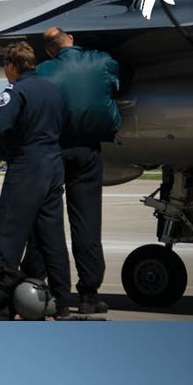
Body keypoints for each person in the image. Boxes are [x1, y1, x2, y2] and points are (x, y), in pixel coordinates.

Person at [0, 41, 71, 319]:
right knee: (52, 238)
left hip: (27, 166)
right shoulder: (53, 90)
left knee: (7, 234)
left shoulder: (16, 90)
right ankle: (63, 302)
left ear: (11, 66)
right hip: (53, 164)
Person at [32, 26, 121, 314]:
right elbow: (118, 81)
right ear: (71, 40)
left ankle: (43, 286)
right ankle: (88, 295)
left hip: (55, 150)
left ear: (49, 50)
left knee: (47, 219)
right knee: (86, 222)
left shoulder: (44, 70)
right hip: (88, 150)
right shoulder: (103, 61)